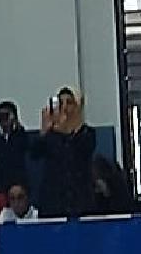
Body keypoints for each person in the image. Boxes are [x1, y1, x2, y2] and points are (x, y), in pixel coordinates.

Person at [31, 88, 96, 219]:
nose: (65, 107)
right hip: (53, 204)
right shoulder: (50, 135)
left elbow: (84, 148)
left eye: (69, 103)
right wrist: (44, 131)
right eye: (61, 103)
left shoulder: (86, 133)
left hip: (81, 204)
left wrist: (74, 126)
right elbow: (34, 153)